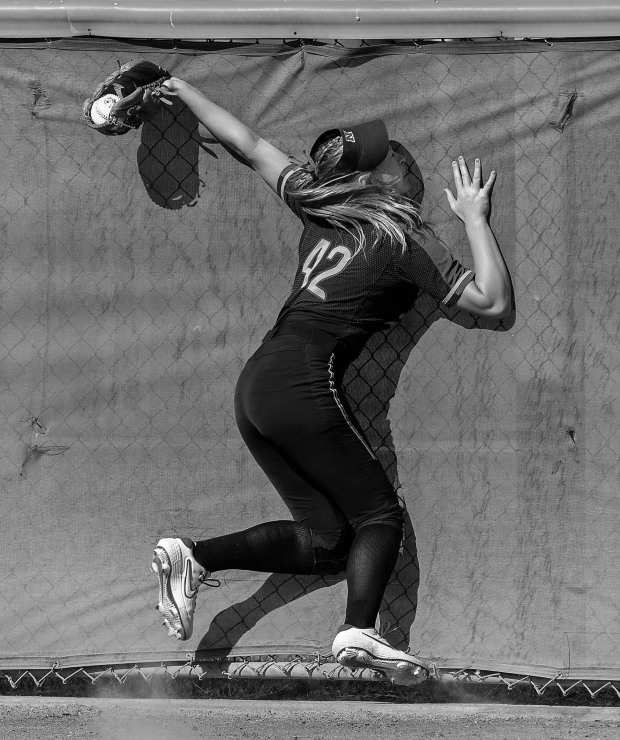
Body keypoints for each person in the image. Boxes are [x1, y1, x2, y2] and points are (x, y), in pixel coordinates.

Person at [151, 77, 512, 686]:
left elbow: (246, 141)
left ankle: (193, 555)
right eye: (394, 159)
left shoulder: (321, 202)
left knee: (329, 544)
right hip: (301, 382)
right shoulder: (403, 235)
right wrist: (475, 217)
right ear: (394, 185)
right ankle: (359, 630)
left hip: (257, 384)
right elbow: (494, 303)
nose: (400, 163)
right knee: (380, 516)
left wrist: (181, 88)